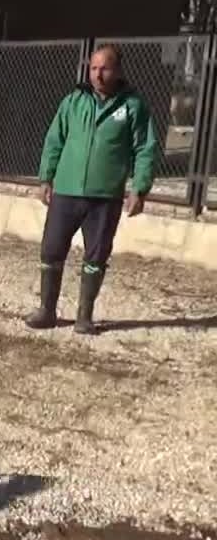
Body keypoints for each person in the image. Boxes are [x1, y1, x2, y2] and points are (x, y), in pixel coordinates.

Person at [25, 43, 159, 335]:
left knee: (96, 256)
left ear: (118, 70)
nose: (98, 75)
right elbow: (54, 140)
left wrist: (139, 188)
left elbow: (145, 149)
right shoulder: (73, 101)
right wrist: (46, 178)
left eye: (105, 68)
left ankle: (84, 316)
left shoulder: (133, 105)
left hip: (105, 196)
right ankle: (46, 310)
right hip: (67, 190)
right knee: (51, 250)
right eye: (94, 68)